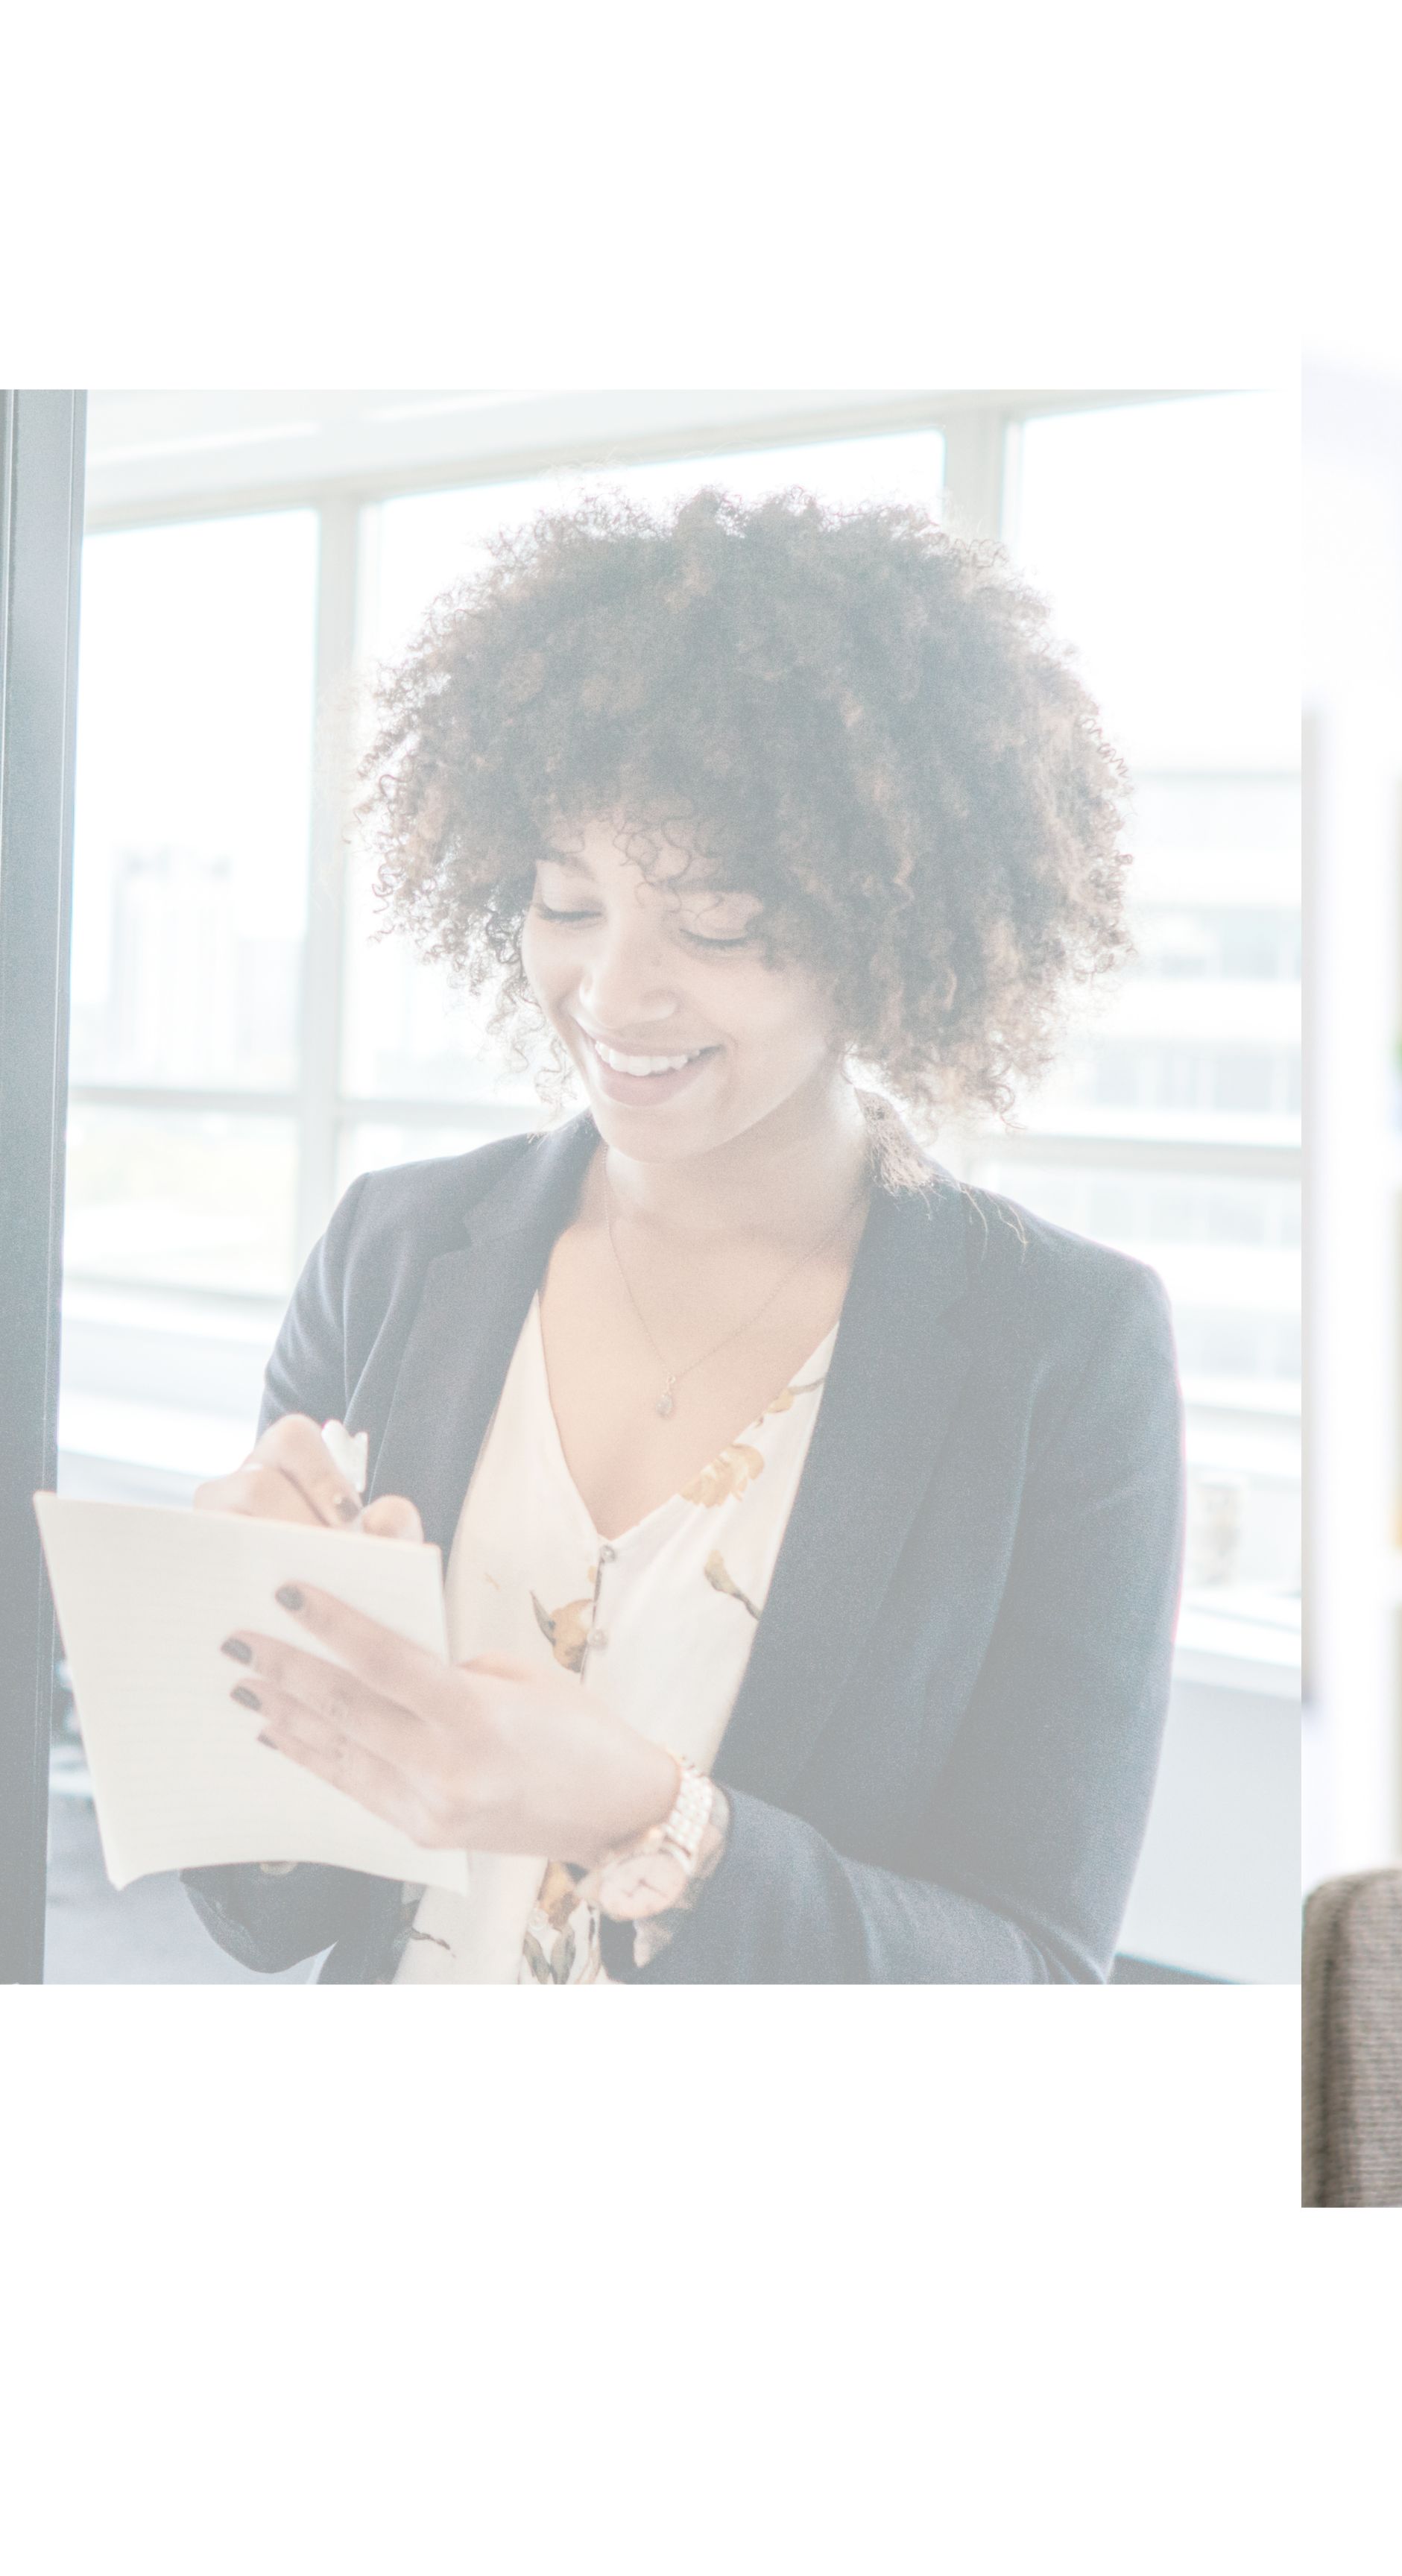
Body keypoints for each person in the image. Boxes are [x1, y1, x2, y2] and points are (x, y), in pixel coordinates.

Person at [180, 487, 1184, 1983]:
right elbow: (272, 1914)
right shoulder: (395, 1250)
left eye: (716, 925)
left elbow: (1035, 1970)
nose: (612, 993)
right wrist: (245, 1650)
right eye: (565, 902)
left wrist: (655, 1823)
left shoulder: (1061, 1349)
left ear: (886, 924)